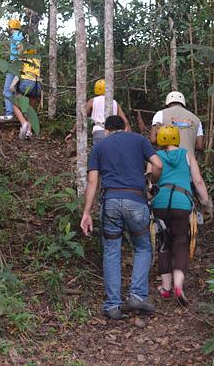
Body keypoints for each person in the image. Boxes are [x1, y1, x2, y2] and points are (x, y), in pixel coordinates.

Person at [81, 115, 163, 320]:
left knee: (111, 251)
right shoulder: (139, 140)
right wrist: (151, 182)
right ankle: (136, 295)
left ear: (107, 131)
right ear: (125, 128)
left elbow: (92, 182)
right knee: (143, 247)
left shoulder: (100, 147)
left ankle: (112, 305)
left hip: (110, 202)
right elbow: (158, 165)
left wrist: (86, 213)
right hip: (136, 200)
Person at [151, 125, 211, 306]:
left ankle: (166, 287)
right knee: (180, 241)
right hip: (182, 202)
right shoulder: (187, 155)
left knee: (163, 241)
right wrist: (206, 202)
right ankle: (178, 284)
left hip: (160, 202)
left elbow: (150, 181)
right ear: (177, 138)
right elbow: (198, 181)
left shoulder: (155, 157)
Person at [65, 79, 131, 145]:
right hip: (113, 133)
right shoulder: (114, 102)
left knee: (99, 153)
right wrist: (131, 137)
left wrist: (72, 133)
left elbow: (81, 117)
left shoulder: (92, 101)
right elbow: (126, 122)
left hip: (99, 132)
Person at [149, 91, 204, 156]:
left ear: (168, 103)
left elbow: (153, 140)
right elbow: (199, 146)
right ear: (183, 103)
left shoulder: (160, 114)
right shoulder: (196, 119)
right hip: (188, 161)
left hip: (166, 159)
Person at [10, 49, 42, 140]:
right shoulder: (37, 60)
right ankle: (28, 132)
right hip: (36, 85)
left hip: (25, 83)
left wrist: (12, 85)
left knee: (15, 104)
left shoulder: (23, 58)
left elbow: (19, 72)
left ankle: (24, 123)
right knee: (31, 110)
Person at [0, 19, 24, 122]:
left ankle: (9, 114)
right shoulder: (20, 35)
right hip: (17, 64)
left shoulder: (16, 35)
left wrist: (18, 60)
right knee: (15, 90)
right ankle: (20, 115)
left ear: (10, 27)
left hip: (15, 64)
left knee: (7, 90)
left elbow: (19, 47)